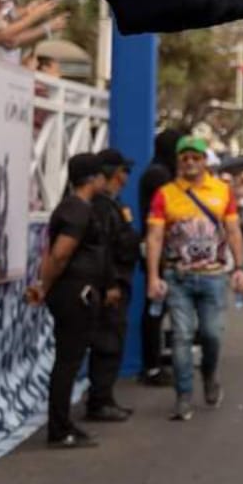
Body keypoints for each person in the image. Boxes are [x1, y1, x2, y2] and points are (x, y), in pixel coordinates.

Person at [146, 135, 243, 421]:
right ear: (179, 161)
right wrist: (153, 277)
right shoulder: (164, 194)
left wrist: (239, 268)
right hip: (178, 277)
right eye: (185, 158)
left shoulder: (222, 191)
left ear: (205, 161)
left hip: (214, 278)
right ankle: (183, 396)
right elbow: (154, 237)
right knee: (181, 337)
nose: (190, 163)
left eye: (196, 158)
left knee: (212, 335)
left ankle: (209, 375)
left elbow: (233, 231)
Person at [25, 154, 109, 448]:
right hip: (74, 294)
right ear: (92, 178)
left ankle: (63, 423)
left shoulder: (75, 208)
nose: (106, 180)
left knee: (70, 360)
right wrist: (44, 286)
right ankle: (59, 429)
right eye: (102, 175)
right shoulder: (77, 210)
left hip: (74, 291)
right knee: (68, 362)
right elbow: (60, 253)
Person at [84, 147, 140, 424]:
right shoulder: (103, 207)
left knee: (112, 341)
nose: (126, 177)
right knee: (107, 342)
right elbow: (103, 250)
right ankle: (100, 401)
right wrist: (110, 284)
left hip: (117, 280)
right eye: (123, 172)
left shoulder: (112, 204)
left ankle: (104, 398)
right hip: (111, 284)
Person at [136, 129, 182, 384]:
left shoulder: (158, 171)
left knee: (159, 305)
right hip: (159, 248)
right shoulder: (159, 175)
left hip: (161, 247)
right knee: (155, 305)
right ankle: (151, 365)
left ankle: (155, 359)